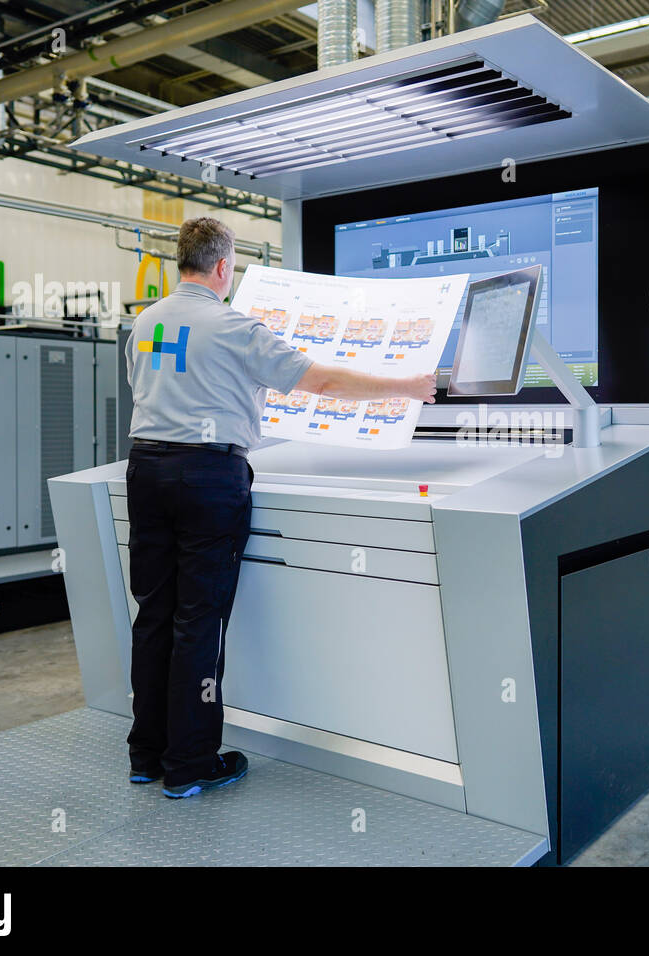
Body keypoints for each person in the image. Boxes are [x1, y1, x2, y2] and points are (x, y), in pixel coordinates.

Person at [123, 216, 436, 798]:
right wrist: (406, 386)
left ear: (180, 263)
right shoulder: (234, 327)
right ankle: (190, 763)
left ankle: (147, 754)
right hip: (207, 476)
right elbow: (321, 383)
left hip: (145, 470)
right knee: (200, 621)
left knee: (154, 613)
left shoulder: (145, 323)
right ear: (223, 267)